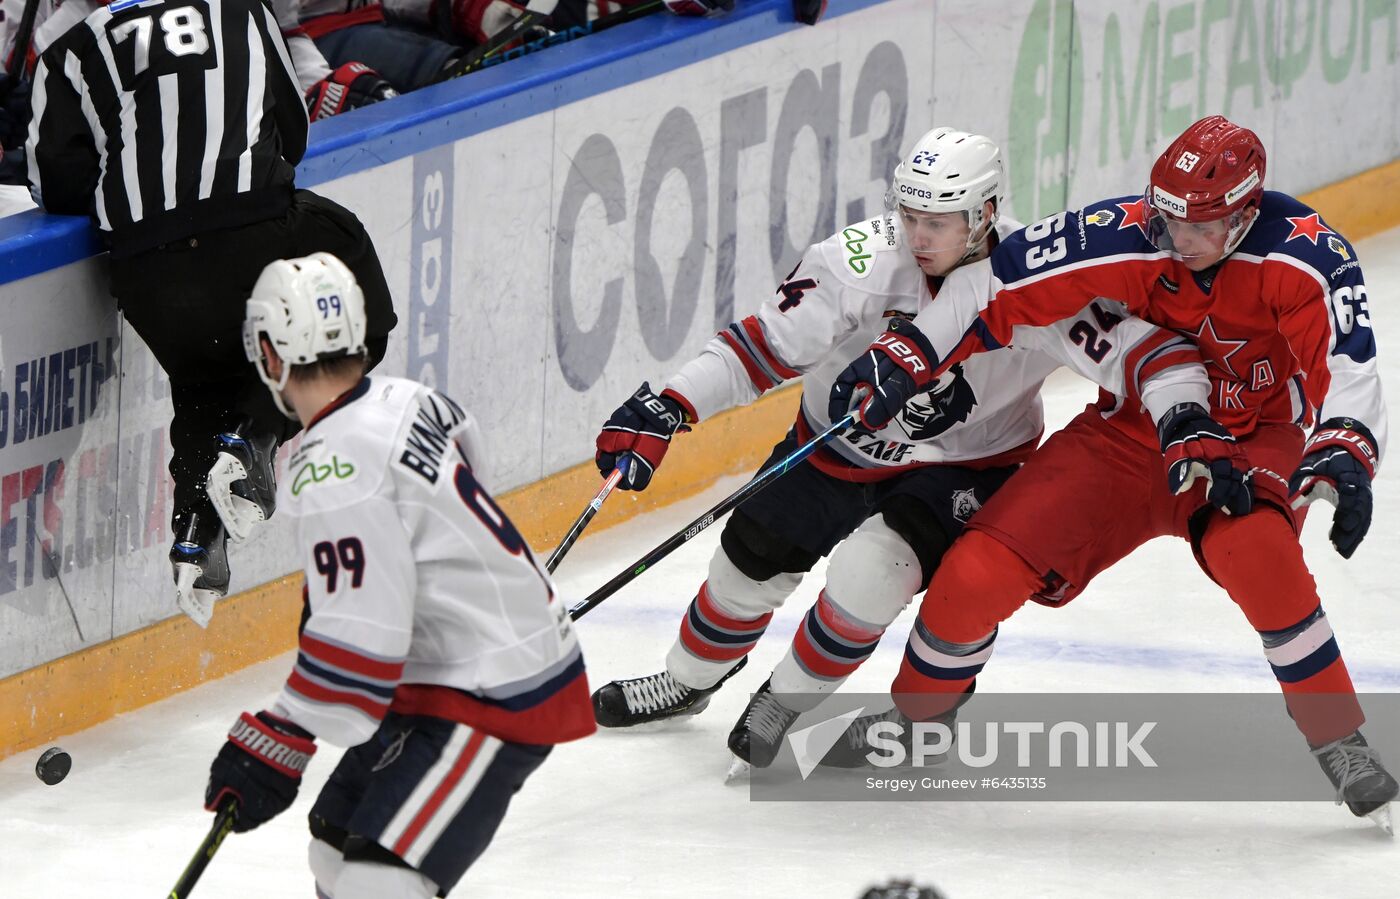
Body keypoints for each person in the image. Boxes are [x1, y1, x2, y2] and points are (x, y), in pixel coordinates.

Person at [827, 115, 1397, 827]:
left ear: (1246, 215)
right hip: (1131, 434)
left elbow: (1349, 365)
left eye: (1196, 228)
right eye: (1166, 217)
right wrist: (909, 353)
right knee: (976, 571)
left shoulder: (1308, 255)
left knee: (1259, 555)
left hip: (1249, 440)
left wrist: (1344, 450)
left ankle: (1340, 737)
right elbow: (993, 284)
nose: (1173, 239)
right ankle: (915, 716)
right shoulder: (1130, 230)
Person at [587, 126, 1211, 769]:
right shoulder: (857, 260)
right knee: (747, 558)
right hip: (839, 445)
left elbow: (1143, 357)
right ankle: (689, 680)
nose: (918, 237)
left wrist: (1187, 421)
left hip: (966, 465)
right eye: (909, 216)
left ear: (985, 215)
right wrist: (672, 404)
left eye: (939, 223)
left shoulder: (1037, 276)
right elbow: (760, 347)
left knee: (873, 571)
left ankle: (786, 698)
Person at [202, 253, 594, 897]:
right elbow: (461, 481)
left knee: (374, 886)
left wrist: (281, 733)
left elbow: (365, 641)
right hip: (449, 671)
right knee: (334, 850)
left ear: (271, 355)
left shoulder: (330, 466)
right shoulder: (411, 397)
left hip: (493, 691)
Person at [26, 0, 398, 625]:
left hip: (143, 268)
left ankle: (197, 534)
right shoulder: (240, 8)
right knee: (350, 286)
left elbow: (54, 182)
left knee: (204, 375)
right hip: (249, 232)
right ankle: (253, 437)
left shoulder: (71, 42)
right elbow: (295, 131)